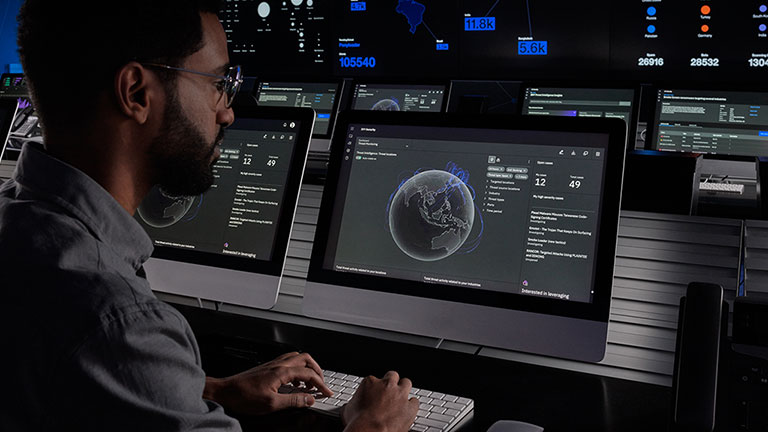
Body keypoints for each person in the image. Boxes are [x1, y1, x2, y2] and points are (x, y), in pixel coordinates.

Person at [0, 1, 419, 431]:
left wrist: (206, 389)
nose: (227, 111)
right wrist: (373, 425)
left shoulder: (17, 225)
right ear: (137, 93)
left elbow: (64, 378)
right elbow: (106, 344)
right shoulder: (118, 321)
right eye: (219, 82)